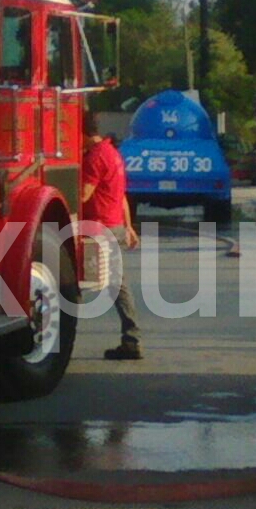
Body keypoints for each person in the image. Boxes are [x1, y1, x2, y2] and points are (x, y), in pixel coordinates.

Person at [81, 110, 142, 360]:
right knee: (118, 284)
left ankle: (132, 338)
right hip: (115, 225)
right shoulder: (112, 153)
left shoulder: (94, 158)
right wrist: (128, 227)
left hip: (99, 228)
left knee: (73, 281)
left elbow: (83, 195)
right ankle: (131, 339)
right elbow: (121, 195)